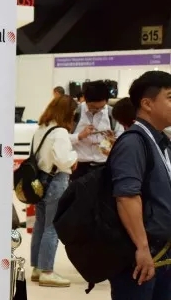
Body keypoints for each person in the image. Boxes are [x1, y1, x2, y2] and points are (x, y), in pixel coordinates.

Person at [94, 70, 171, 300]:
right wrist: (141, 248)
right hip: (139, 254)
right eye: (170, 97)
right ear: (147, 102)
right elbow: (127, 196)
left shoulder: (161, 142)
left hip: (163, 254)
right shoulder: (134, 142)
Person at [29, 95, 79, 287]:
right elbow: (63, 160)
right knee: (52, 227)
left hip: (39, 180)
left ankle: (37, 268)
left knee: (40, 225)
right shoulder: (60, 132)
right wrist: (74, 156)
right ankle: (47, 271)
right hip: (56, 180)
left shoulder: (41, 129)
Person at [70, 80, 124, 182]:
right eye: (93, 107)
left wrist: (113, 140)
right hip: (79, 167)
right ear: (85, 99)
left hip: (103, 165)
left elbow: (121, 136)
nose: (97, 110)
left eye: (101, 107)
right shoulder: (75, 113)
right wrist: (79, 136)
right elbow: (62, 138)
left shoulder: (112, 114)